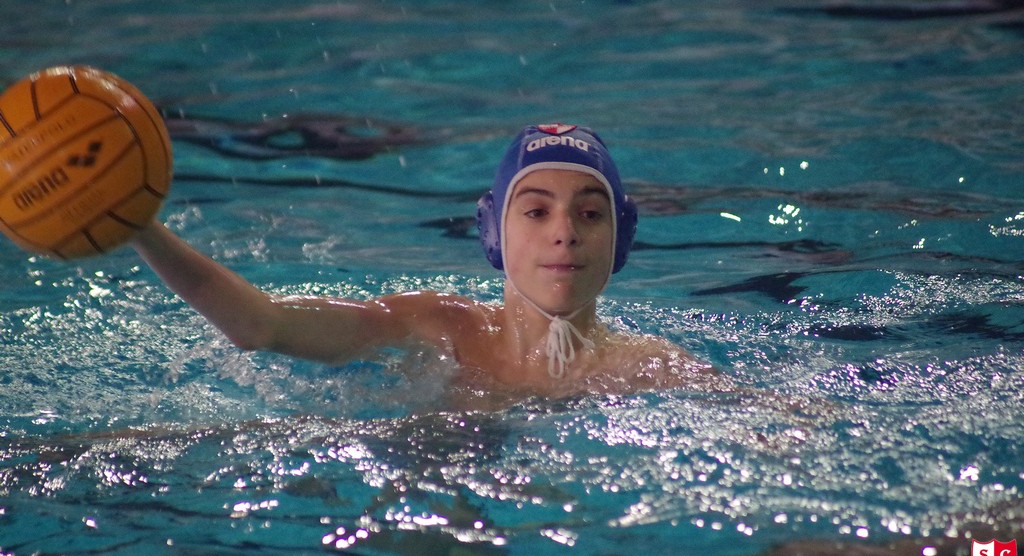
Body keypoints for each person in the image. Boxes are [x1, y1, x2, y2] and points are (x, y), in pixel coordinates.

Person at [132, 123, 721, 406]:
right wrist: (141, 228)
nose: (564, 233)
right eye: (536, 212)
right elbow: (260, 325)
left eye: (590, 214)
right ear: (493, 230)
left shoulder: (650, 367)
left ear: (622, 237)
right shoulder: (437, 326)